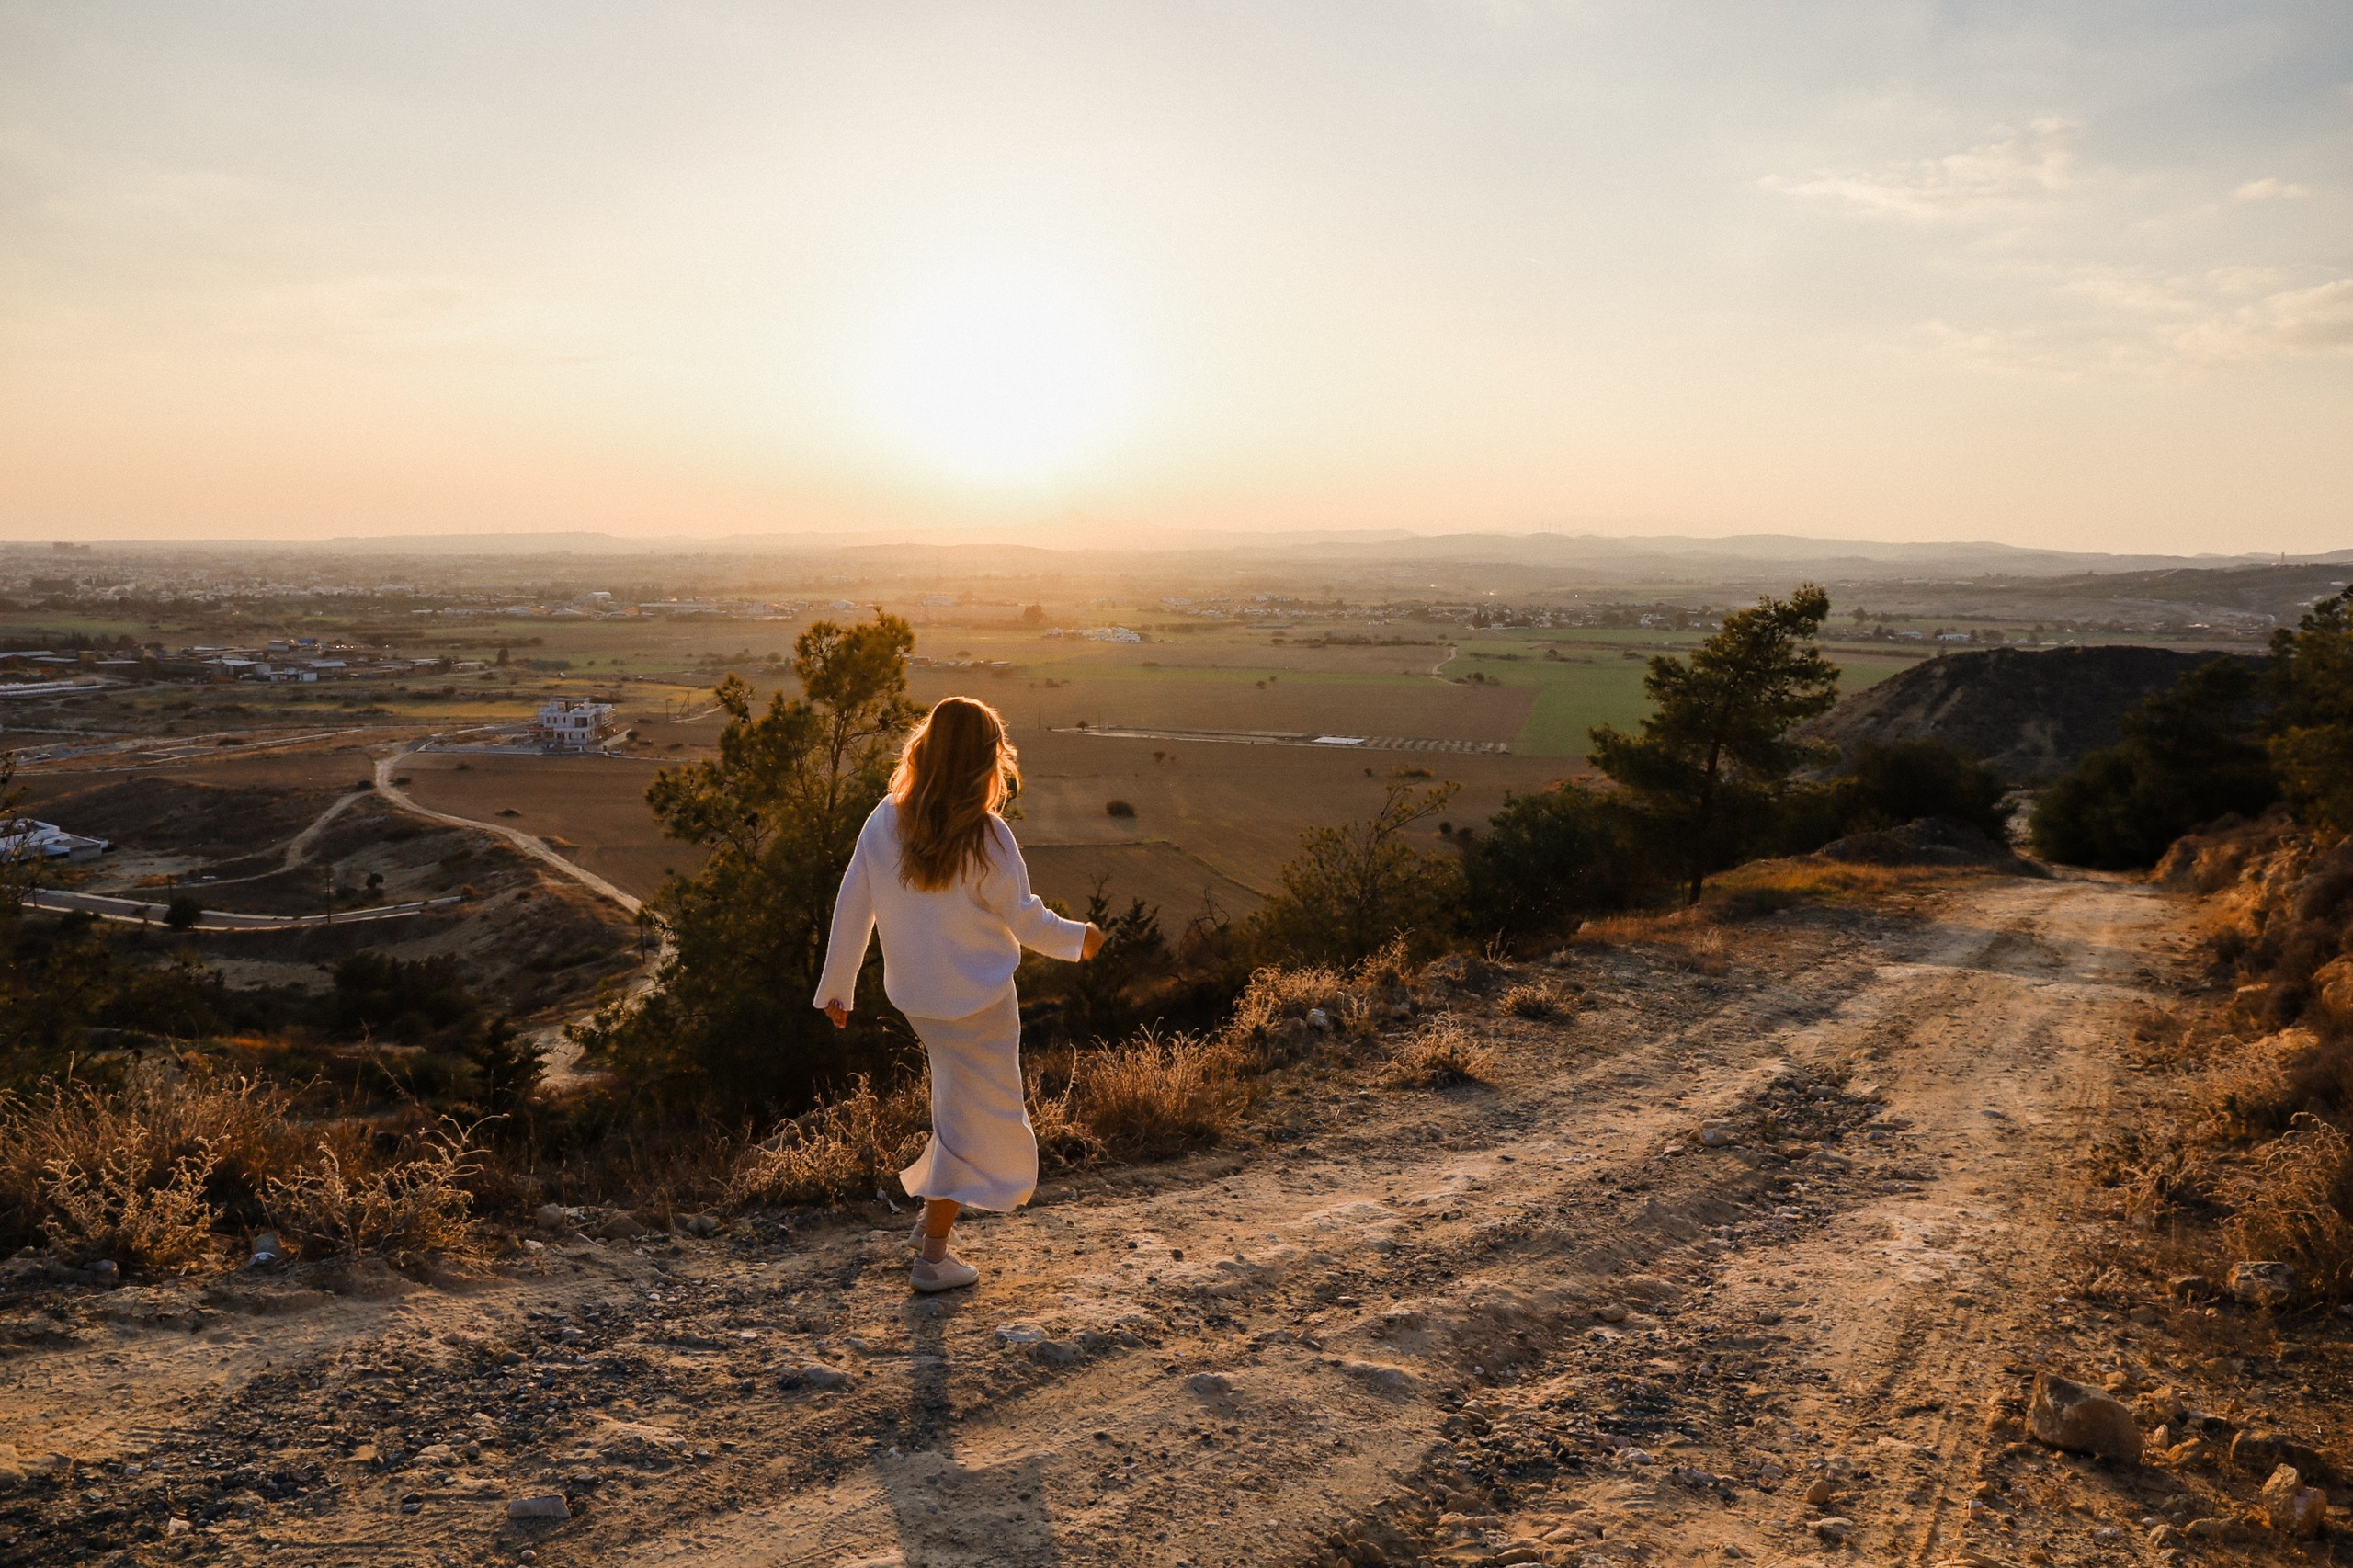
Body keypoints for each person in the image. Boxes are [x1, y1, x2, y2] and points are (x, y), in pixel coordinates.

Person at [813, 696, 1103, 1293]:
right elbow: (1026, 922)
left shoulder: (884, 819)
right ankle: (934, 1260)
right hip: (980, 1004)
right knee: (972, 1124)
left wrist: (837, 988)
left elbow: (853, 904)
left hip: (919, 1002)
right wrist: (1083, 940)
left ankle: (928, 1227)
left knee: (955, 1106)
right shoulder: (987, 837)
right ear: (984, 762)